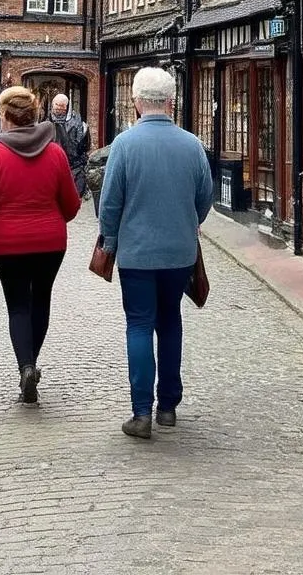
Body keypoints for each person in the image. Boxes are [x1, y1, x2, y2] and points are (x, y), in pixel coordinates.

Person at [99, 67, 213, 440]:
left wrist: (110, 243)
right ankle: (168, 407)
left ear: (136, 103)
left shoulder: (124, 146)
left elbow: (110, 203)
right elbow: (205, 197)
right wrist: (187, 222)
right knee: (170, 323)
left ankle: (141, 412)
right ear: (171, 102)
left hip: (136, 255)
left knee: (139, 325)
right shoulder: (192, 145)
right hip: (178, 254)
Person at [0, 86, 81, 405]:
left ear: (5, 116)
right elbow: (71, 204)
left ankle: (25, 367)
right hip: (50, 243)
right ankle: (31, 366)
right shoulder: (55, 152)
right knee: (40, 301)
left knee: (18, 306)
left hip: (8, 245)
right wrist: (51, 221)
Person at [50, 93, 90, 197]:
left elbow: (82, 147)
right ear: (52, 105)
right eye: (57, 105)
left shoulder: (76, 122)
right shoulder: (46, 120)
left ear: (66, 107)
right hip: (52, 167)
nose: (59, 108)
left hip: (73, 168)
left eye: (62, 106)